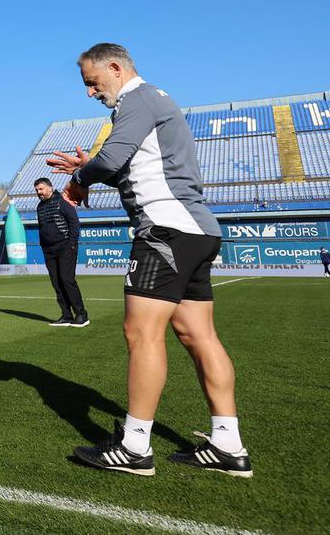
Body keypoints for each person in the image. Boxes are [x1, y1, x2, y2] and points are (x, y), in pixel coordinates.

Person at [48, 43, 250, 477]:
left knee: (141, 333)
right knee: (198, 334)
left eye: (92, 83)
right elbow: (134, 167)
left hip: (165, 230)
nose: (90, 92)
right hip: (197, 230)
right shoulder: (156, 100)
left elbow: (112, 160)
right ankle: (228, 445)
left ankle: (135, 446)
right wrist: (91, 168)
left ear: (115, 68)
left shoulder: (136, 100)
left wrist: (81, 177)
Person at [34, 177, 88, 327]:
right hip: (48, 250)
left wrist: (71, 244)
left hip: (65, 247)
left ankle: (81, 315)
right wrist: (43, 245)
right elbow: (42, 227)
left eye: (41, 189)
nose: (39, 192)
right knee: (56, 283)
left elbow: (74, 222)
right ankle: (66, 315)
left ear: (50, 188)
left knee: (67, 280)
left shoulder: (62, 202)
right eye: (37, 190)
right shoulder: (40, 206)